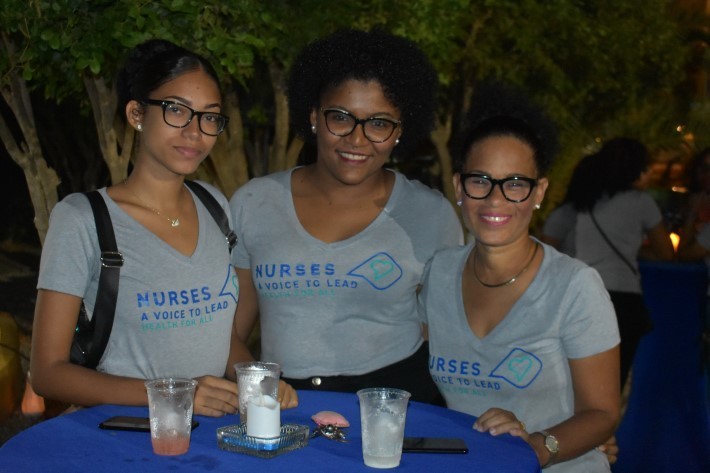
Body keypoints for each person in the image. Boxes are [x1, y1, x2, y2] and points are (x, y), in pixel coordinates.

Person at [30, 39, 296, 416]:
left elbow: (220, 337)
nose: (195, 131)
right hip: (125, 432)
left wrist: (257, 380)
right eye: (176, 110)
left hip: (208, 431)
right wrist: (176, 393)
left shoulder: (214, 206)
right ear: (136, 113)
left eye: (209, 117)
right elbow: (47, 373)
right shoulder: (83, 219)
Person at [229, 28, 463, 404]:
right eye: (340, 118)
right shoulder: (255, 203)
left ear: (399, 131)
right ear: (313, 117)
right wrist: (259, 389)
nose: (357, 139)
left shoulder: (430, 214)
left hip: (395, 404)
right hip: (286, 402)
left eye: (379, 123)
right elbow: (230, 334)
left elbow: (447, 335)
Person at [418, 83, 621, 471]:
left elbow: (601, 413)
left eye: (515, 184)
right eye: (480, 180)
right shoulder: (439, 274)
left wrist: (533, 447)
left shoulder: (575, 286)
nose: (495, 199)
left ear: (538, 192)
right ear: (459, 186)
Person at [541, 138, 674, 389]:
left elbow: (547, 253)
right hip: (624, 298)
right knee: (614, 380)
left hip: (581, 295)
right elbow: (666, 252)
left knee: (574, 379)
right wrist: (635, 250)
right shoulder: (641, 202)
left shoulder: (583, 203)